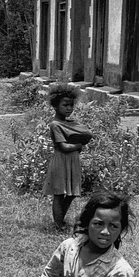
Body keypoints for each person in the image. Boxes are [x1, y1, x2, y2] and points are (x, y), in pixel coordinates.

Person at [42, 83, 93, 230]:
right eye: (65, 105)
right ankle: (58, 224)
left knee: (71, 193)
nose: (69, 108)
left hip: (73, 160)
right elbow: (64, 147)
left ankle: (60, 220)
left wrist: (79, 142)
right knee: (59, 194)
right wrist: (78, 145)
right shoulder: (55, 125)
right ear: (55, 106)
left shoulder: (70, 123)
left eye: (71, 105)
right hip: (61, 160)